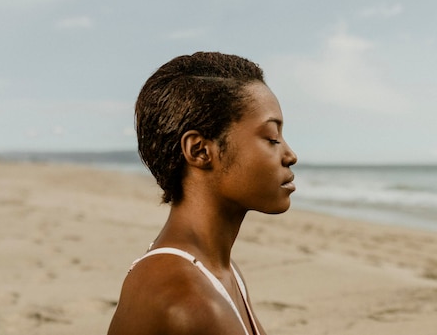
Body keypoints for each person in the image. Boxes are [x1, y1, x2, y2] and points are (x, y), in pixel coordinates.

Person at [107, 52, 298, 335]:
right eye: (271, 138)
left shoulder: (216, 271)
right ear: (200, 150)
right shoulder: (189, 302)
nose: (290, 155)